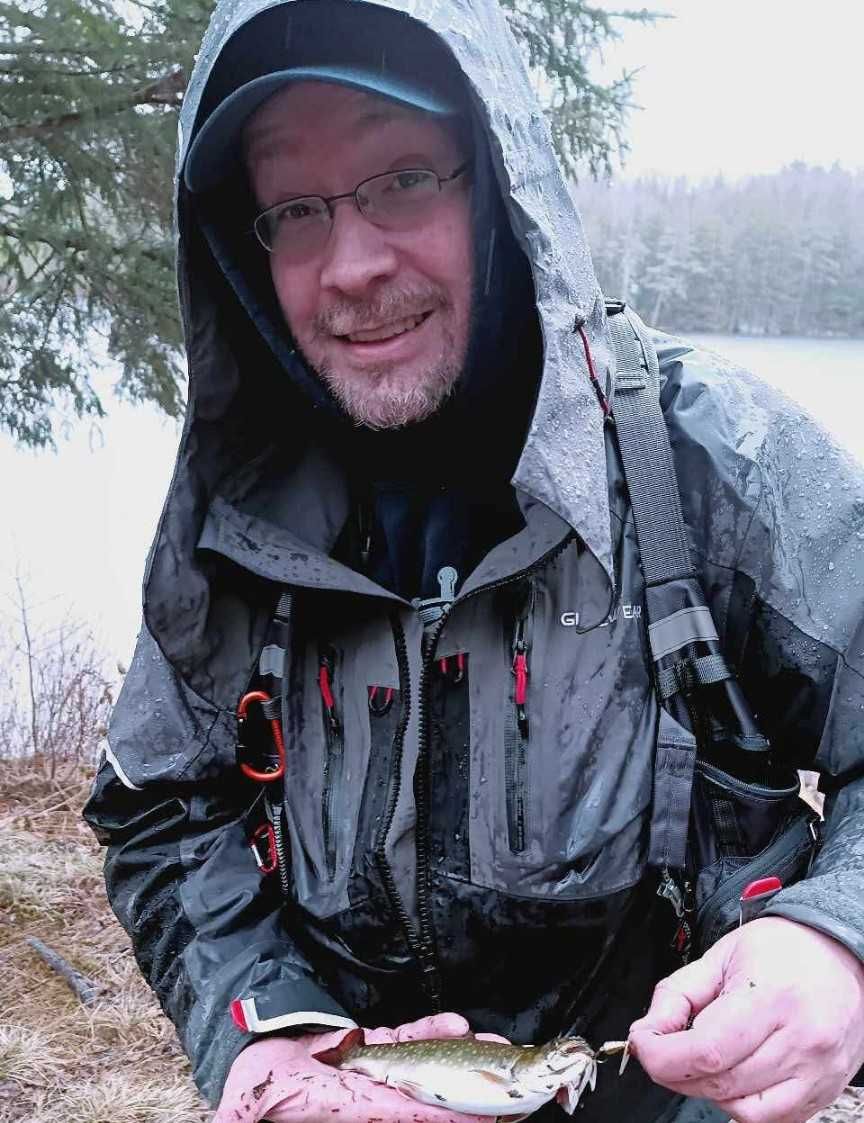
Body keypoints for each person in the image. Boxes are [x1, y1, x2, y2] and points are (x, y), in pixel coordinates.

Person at [83, 0, 864, 1120]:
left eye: (404, 179)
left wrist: (840, 937)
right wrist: (268, 1029)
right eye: (294, 209)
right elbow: (158, 809)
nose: (352, 265)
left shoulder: (706, 464)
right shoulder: (237, 522)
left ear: (501, 186)